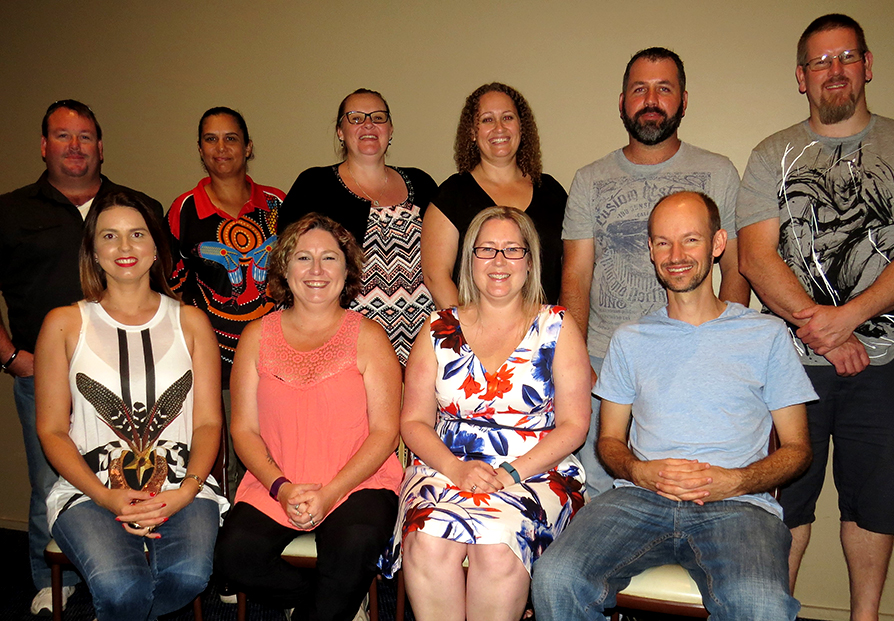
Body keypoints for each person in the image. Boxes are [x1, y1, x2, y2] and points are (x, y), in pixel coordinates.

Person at [532, 191, 816, 620]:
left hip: (739, 507)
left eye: (691, 240)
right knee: (556, 577)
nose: (676, 255)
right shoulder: (629, 340)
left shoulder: (767, 335)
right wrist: (637, 471)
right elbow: (609, 440)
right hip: (639, 499)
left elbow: (798, 449)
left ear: (718, 244)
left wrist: (735, 481)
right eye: (662, 242)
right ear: (650, 250)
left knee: (763, 606)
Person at [736, 14, 894, 621]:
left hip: (887, 361)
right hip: (788, 364)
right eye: (820, 62)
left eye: (846, 57)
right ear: (801, 77)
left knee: (873, 506)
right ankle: (772, 612)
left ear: (867, 64)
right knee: (785, 505)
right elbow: (756, 257)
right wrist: (825, 331)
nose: (834, 70)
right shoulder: (771, 153)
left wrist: (850, 319)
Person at [560, 48, 750, 500]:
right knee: (598, 492)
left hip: (695, 360)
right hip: (604, 363)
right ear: (621, 101)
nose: (651, 99)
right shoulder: (590, 179)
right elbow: (576, 274)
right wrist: (577, 361)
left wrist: (726, 349)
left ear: (683, 101)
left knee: (694, 490)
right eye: (639, 89)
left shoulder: (718, 172)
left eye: (663, 88)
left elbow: (737, 269)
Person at [0, 99, 164, 616]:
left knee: (140, 471)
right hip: (47, 375)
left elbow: (168, 284)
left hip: (134, 378)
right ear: (44, 146)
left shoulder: (138, 205)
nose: (76, 146)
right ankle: (54, 580)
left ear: (100, 145)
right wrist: (10, 357)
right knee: (52, 479)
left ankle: (141, 569)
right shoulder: (10, 211)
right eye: (63, 136)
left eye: (86, 136)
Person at [388, 206, 591, 621]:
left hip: (535, 469)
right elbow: (412, 422)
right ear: (469, 260)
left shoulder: (558, 326)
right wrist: (455, 468)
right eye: (486, 250)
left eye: (512, 250)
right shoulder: (436, 327)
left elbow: (575, 425)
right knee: (427, 541)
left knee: (498, 545)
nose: (499, 261)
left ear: (530, 261)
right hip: (443, 466)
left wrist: (511, 473)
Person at [33, 191, 227, 621]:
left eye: (137, 234)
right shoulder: (63, 323)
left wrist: (187, 492)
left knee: (189, 575)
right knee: (121, 586)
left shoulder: (192, 321)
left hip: (181, 484)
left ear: (155, 246)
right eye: (110, 236)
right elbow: (51, 430)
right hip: (89, 487)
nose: (124, 248)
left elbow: (209, 422)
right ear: (94, 251)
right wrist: (106, 496)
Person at [214, 213, 403, 621]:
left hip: (357, 482)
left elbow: (386, 434)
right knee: (234, 558)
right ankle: (338, 599)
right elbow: (243, 429)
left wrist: (331, 492)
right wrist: (281, 488)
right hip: (277, 481)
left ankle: (333, 600)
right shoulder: (255, 336)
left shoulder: (370, 337)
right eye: (303, 258)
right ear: (284, 267)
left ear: (347, 268)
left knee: (351, 547)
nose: (316, 271)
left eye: (329, 258)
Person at [168, 106, 285, 499]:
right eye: (211, 139)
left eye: (231, 138)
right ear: (200, 150)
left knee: (276, 454)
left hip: (274, 359)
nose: (221, 148)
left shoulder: (278, 204)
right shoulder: (184, 210)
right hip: (212, 362)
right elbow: (171, 287)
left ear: (248, 147)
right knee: (218, 463)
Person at [278, 88, 437, 366]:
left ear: (390, 129)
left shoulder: (422, 183)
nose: (368, 124)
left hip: (420, 343)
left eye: (378, 117)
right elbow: (289, 265)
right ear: (340, 131)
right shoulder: (314, 185)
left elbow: (448, 259)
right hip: (346, 345)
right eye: (355, 118)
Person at [422, 83, 568, 309]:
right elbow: (436, 277)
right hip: (475, 337)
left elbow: (570, 270)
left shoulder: (552, 192)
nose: (499, 128)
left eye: (508, 118)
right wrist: (469, 332)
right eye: (487, 120)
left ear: (521, 127)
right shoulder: (452, 195)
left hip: (542, 335)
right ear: (472, 132)